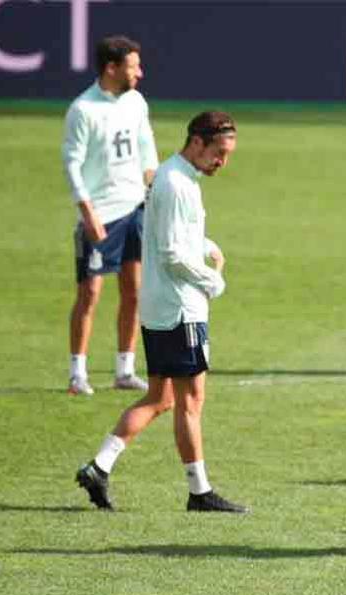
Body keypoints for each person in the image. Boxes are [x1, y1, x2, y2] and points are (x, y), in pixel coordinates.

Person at [75, 111, 244, 514]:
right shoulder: (174, 183)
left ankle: (99, 467)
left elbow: (169, 235)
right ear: (197, 142)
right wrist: (211, 280)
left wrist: (203, 243)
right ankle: (199, 491)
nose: (222, 161)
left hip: (161, 304)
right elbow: (170, 254)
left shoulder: (175, 177)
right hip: (179, 307)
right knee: (190, 401)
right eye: (218, 152)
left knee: (161, 397)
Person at [62, 35, 159, 395]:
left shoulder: (135, 102)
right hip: (102, 213)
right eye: (133, 66)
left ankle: (124, 369)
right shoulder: (83, 110)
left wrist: (153, 192)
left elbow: (146, 148)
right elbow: (71, 164)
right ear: (112, 68)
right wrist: (87, 212)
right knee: (90, 294)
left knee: (134, 292)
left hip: (135, 207)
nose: (140, 73)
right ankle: (77, 374)